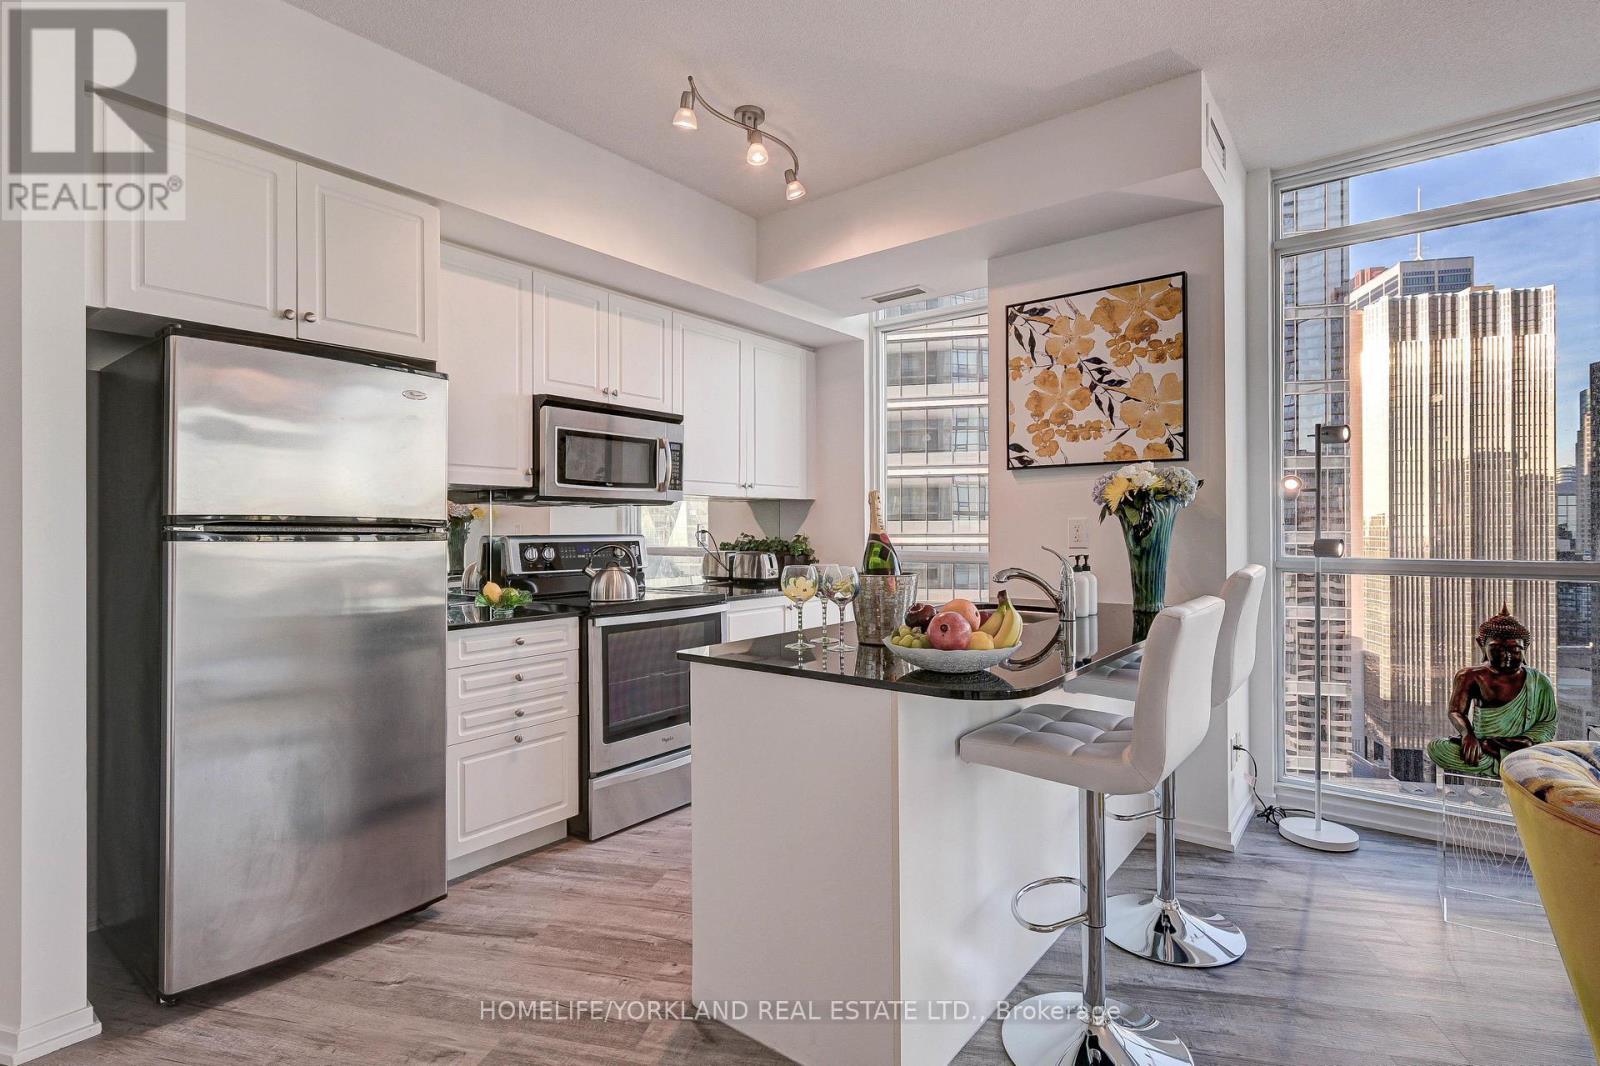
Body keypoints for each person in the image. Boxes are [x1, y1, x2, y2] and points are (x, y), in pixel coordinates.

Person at [1426, 606, 1557, 778]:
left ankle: (1501, 753)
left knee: (1552, 754)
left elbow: (1548, 722)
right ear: (1482, 645)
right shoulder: (1470, 676)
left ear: (1526, 648)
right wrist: (1467, 735)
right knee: (1437, 747)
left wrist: (1527, 740)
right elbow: (1456, 711)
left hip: (1521, 745)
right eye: (1497, 649)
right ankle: (1507, 760)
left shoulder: (1539, 681)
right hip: (1483, 748)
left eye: (1515, 650)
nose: (1506, 656)